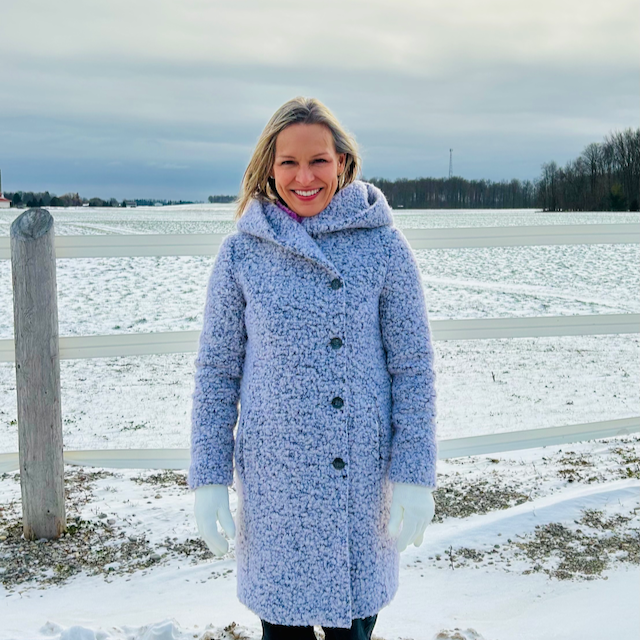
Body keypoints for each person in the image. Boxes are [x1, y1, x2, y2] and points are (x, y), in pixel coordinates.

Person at [188, 96, 438, 640]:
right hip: (277, 488)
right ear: (268, 169)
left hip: (358, 481)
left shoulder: (385, 248)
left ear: (343, 162)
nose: (305, 176)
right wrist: (208, 477)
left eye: (319, 160)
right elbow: (216, 373)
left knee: (354, 630)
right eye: (289, 162)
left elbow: (413, 368)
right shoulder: (241, 254)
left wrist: (415, 473)